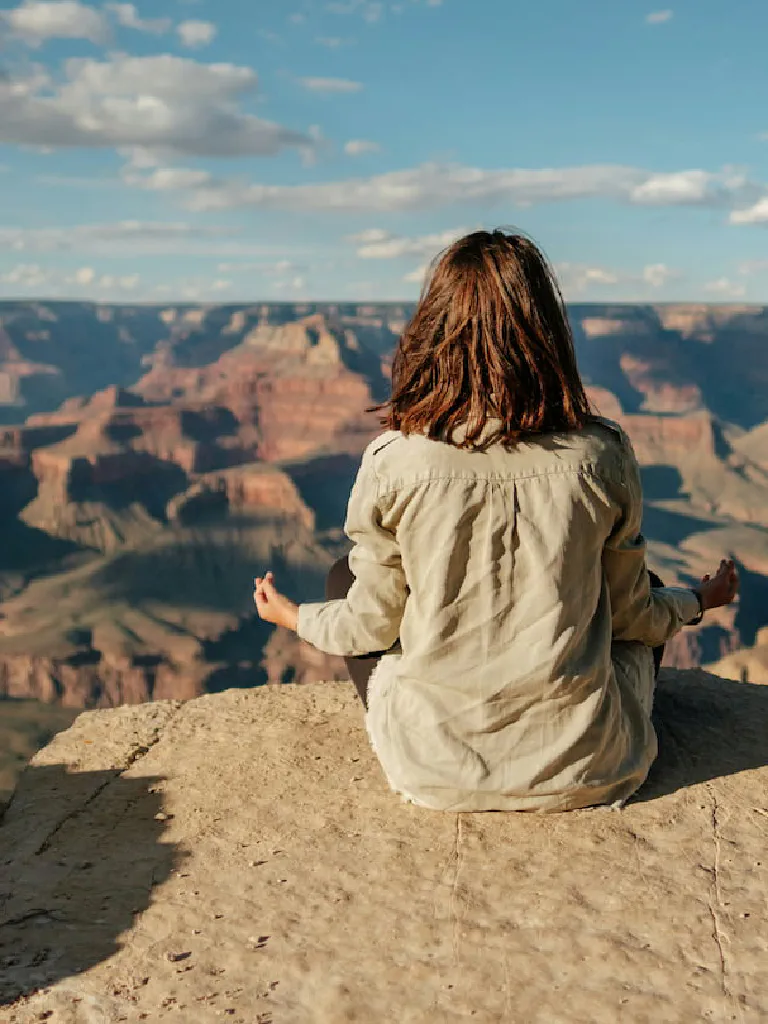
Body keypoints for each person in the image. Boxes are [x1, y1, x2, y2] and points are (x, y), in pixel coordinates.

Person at [253, 230, 740, 812]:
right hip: (590, 768)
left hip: (433, 772)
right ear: (547, 333)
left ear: (432, 332)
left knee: (343, 580)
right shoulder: (599, 453)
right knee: (649, 587)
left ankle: (447, 739)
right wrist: (698, 600)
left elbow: (370, 628)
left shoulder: (396, 458)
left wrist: (293, 617)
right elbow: (634, 616)